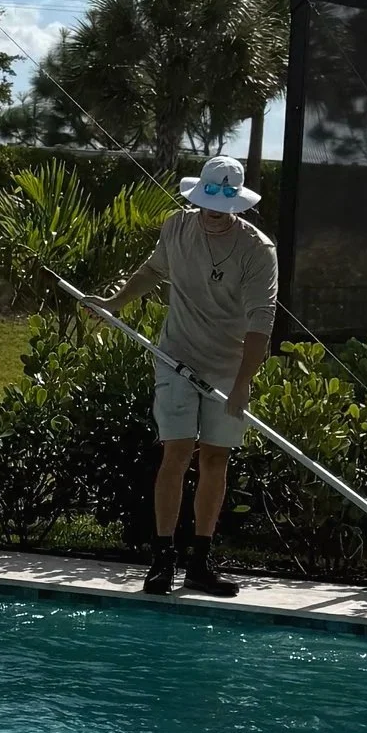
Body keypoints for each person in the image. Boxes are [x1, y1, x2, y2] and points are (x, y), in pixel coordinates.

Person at [109, 150, 279, 599]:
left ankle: (200, 563)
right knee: (176, 451)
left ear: (238, 205)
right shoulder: (176, 226)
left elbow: (261, 323)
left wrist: (242, 384)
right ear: (197, 197)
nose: (213, 214)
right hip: (175, 355)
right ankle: (162, 558)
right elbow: (152, 271)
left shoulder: (258, 251)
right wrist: (115, 304)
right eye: (207, 203)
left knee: (215, 458)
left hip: (229, 363)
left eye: (222, 207)